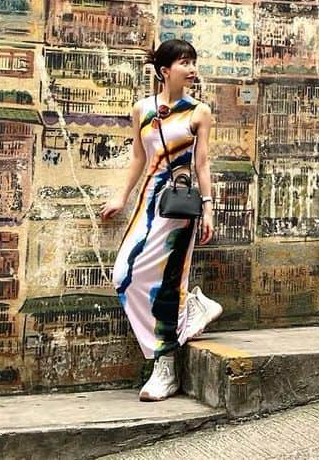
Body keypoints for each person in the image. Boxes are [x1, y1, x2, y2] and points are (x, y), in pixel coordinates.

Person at [102, 39, 222, 400]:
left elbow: (202, 162)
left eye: (193, 61)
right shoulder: (142, 109)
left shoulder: (198, 112)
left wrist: (209, 207)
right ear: (164, 70)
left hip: (180, 204)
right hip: (148, 202)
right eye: (184, 62)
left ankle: (165, 364)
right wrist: (121, 197)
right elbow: (139, 157)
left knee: (169, 281)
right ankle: (192, 309)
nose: (191, 67)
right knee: (123, 275)